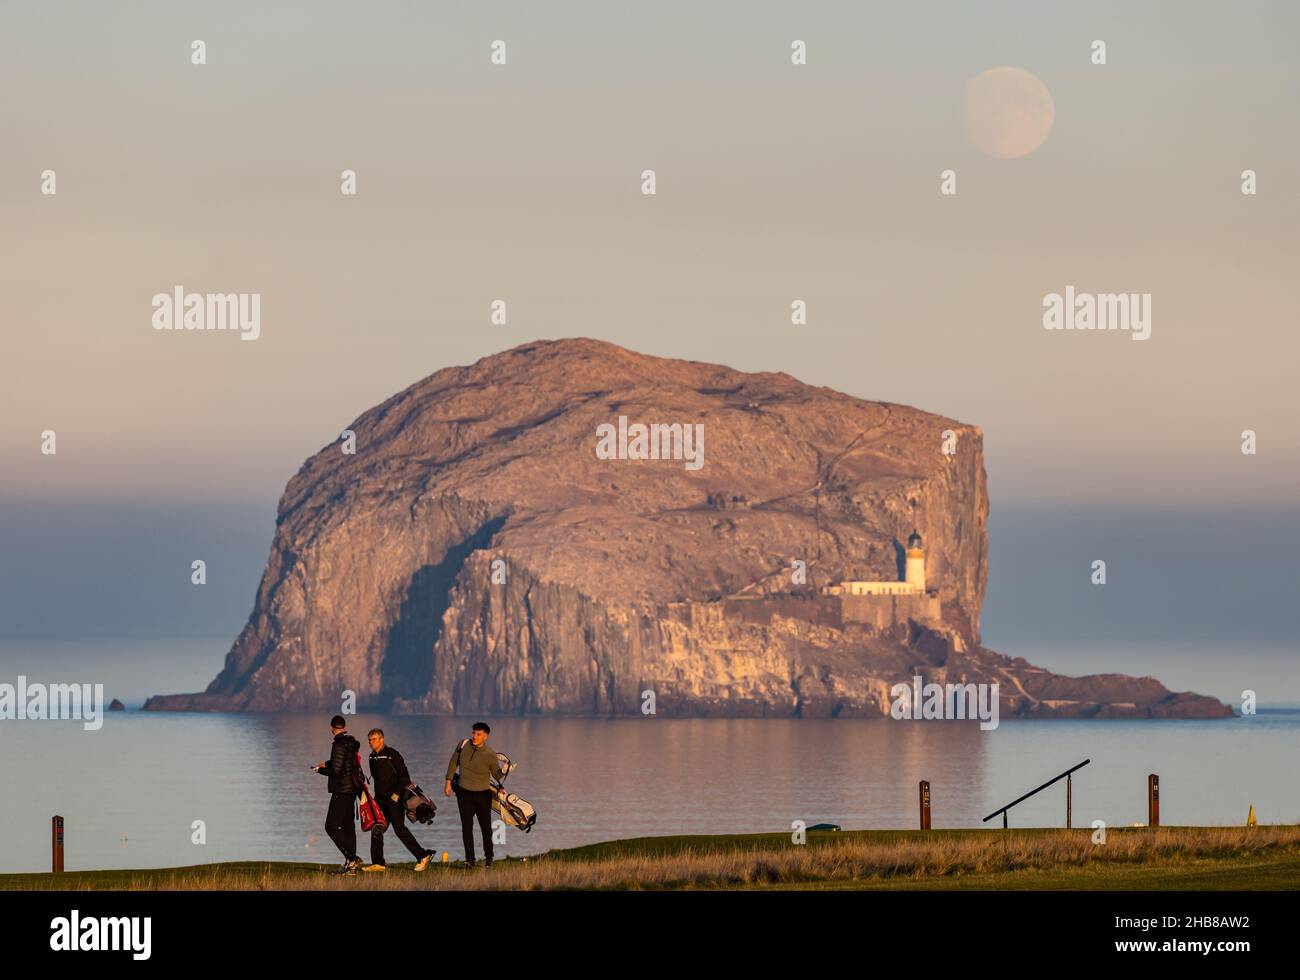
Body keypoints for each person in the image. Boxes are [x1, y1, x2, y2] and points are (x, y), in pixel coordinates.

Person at [364, 728, 434, 872]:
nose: (371, 742)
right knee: (377, 829)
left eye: (374, 739)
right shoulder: (371, 757)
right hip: (380, 801)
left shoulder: (392, 755)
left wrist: (396, 794)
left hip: (395, 800)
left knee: (399, 829)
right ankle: (378, 863)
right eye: (370, 740)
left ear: (381, 740)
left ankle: (423, 855)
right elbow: (377, 780)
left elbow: (404, 777)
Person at [444, 721, 504, 868]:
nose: (474, 736)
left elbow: (497, 774)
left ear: (485, 736)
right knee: (467, 827)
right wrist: (448, 781)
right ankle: (470, 860)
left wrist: (504, 771)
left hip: (483, 795)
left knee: (486, 828)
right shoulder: (463, 744)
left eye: (478, 734)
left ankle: (489, 857)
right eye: (473, 733)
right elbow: (453, 762)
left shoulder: (490, 754)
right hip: (464, 794)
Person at [313, 715, 363, 875]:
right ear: (345, 726)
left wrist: (319, 770)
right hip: (352, 791)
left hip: (341, 791)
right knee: (348, 827)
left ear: (331, 728)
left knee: (331, 826)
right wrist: (326, 763)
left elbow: (336, 771)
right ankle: (351, 867)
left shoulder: (339, 744)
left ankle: (352, 858)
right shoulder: (351, 742)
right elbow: (344, 762)